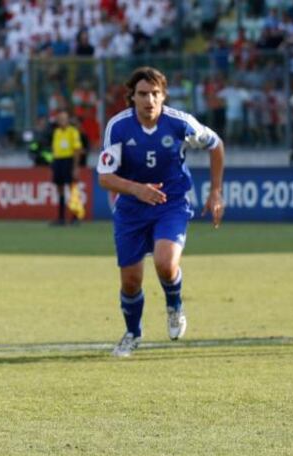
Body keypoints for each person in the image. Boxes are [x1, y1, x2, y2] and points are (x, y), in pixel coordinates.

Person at [96, 66, 225, 357]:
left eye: (155, 94)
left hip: (171, 202)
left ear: (164, 95)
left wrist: (216, 192)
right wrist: (137, 189)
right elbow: (104, 177)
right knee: (130, 281)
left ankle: (174, 305)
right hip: (131, 207)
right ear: (132, 97)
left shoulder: (182, 123)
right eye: (143, 94)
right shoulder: (118, 127)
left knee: (166, 264)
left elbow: (216, 146)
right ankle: (133, 333)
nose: (149, 100)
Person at [49, 109, 84, 226]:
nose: (62, 121)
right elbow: (54, 150)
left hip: (68, 161)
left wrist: (75, 167)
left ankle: (75, 217)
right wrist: (53, 164)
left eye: (64, 118)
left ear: (68, 120)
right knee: (60, 189)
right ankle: (61, 218)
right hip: (58, 161)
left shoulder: (73, 132)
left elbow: (77, 149)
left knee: (71, 188)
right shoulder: (56, 132)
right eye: (60, 119)